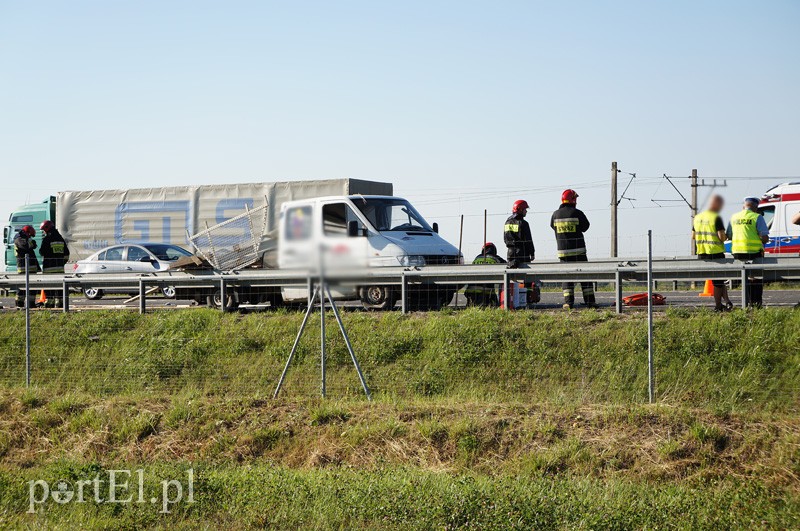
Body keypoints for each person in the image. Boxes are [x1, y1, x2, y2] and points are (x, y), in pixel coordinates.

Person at [550, 189, 596, 309]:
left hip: (563, 253)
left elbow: (552, 227)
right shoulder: (577, 213)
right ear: (573, 200)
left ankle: (568, 303)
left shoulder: (555, 214)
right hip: (579, 251)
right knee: (585, 277)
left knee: (567, 278)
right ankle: (590, 302)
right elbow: (586, 227)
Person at [692, 194, 733, 312]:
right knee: (718, 282)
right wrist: (727, 236)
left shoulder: (697, 218)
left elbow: (693, 236)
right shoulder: (716, 217)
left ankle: (727, 301)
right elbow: (721, 237)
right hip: (715, 253)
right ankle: (718, 306)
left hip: (702, 253)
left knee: (718, 280)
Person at [727, 197, 769, 308]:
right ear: (755, 207)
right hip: (753, 252)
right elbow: (764, 238)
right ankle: (756, 304)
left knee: (746, 277)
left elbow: (729, 235)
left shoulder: (734, 217)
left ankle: (747, 303)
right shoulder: (757, 217)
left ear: (743, 206)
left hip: (737, 253)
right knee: (756, 277)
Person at [504, 200, 536, 307]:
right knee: (527, 279)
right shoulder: (524, 223)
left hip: (510, 253)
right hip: (523, 253)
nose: (526, 211)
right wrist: (532, 252)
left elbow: (505, 239)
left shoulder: (507, 222)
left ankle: (512, 301)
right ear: (520, 210)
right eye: (525, 209)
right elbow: (528, 240)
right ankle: (527, 300)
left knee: (512, 279)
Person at [464, 242, 506, 307]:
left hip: (471, 290)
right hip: (487, 292)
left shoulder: (477, 258)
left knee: (472, 306)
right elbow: (507, 267)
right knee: (494, 306)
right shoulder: (497, 258)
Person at [39, 220, 70, 308]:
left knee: (49, 287)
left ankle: (49, 304)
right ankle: (60, 304)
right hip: (60, 269)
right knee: (60, 287)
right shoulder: (60, 239)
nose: (43, 232)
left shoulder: (47, 239)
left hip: (49, 268)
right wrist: (62, 263)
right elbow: (67, 253)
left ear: (47, 229)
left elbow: (42, 252)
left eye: (43, 230)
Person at [14, 225, 40, 308]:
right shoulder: (19, 239)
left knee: (32, 287)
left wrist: (31, 242)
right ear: (27, 233)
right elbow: (26, 246)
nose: (30, 237)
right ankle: (19, 304)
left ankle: (31, 304)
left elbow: (33, 245)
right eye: (30, 235)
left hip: (31, 267)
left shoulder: (26, 239)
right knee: (22, 287)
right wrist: (32, 242)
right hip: (23, 267)